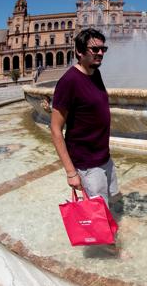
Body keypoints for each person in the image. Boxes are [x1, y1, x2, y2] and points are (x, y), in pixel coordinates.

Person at [50, 28, 118, 205]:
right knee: (97, 215)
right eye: (95, 49)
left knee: (108, 205)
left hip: (104, 158)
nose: (101, 53)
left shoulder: (95, 73)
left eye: (104, 49)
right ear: (79, 52)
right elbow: (55, 129)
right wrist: (71, 172)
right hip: (87, 165)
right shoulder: (69, 81)